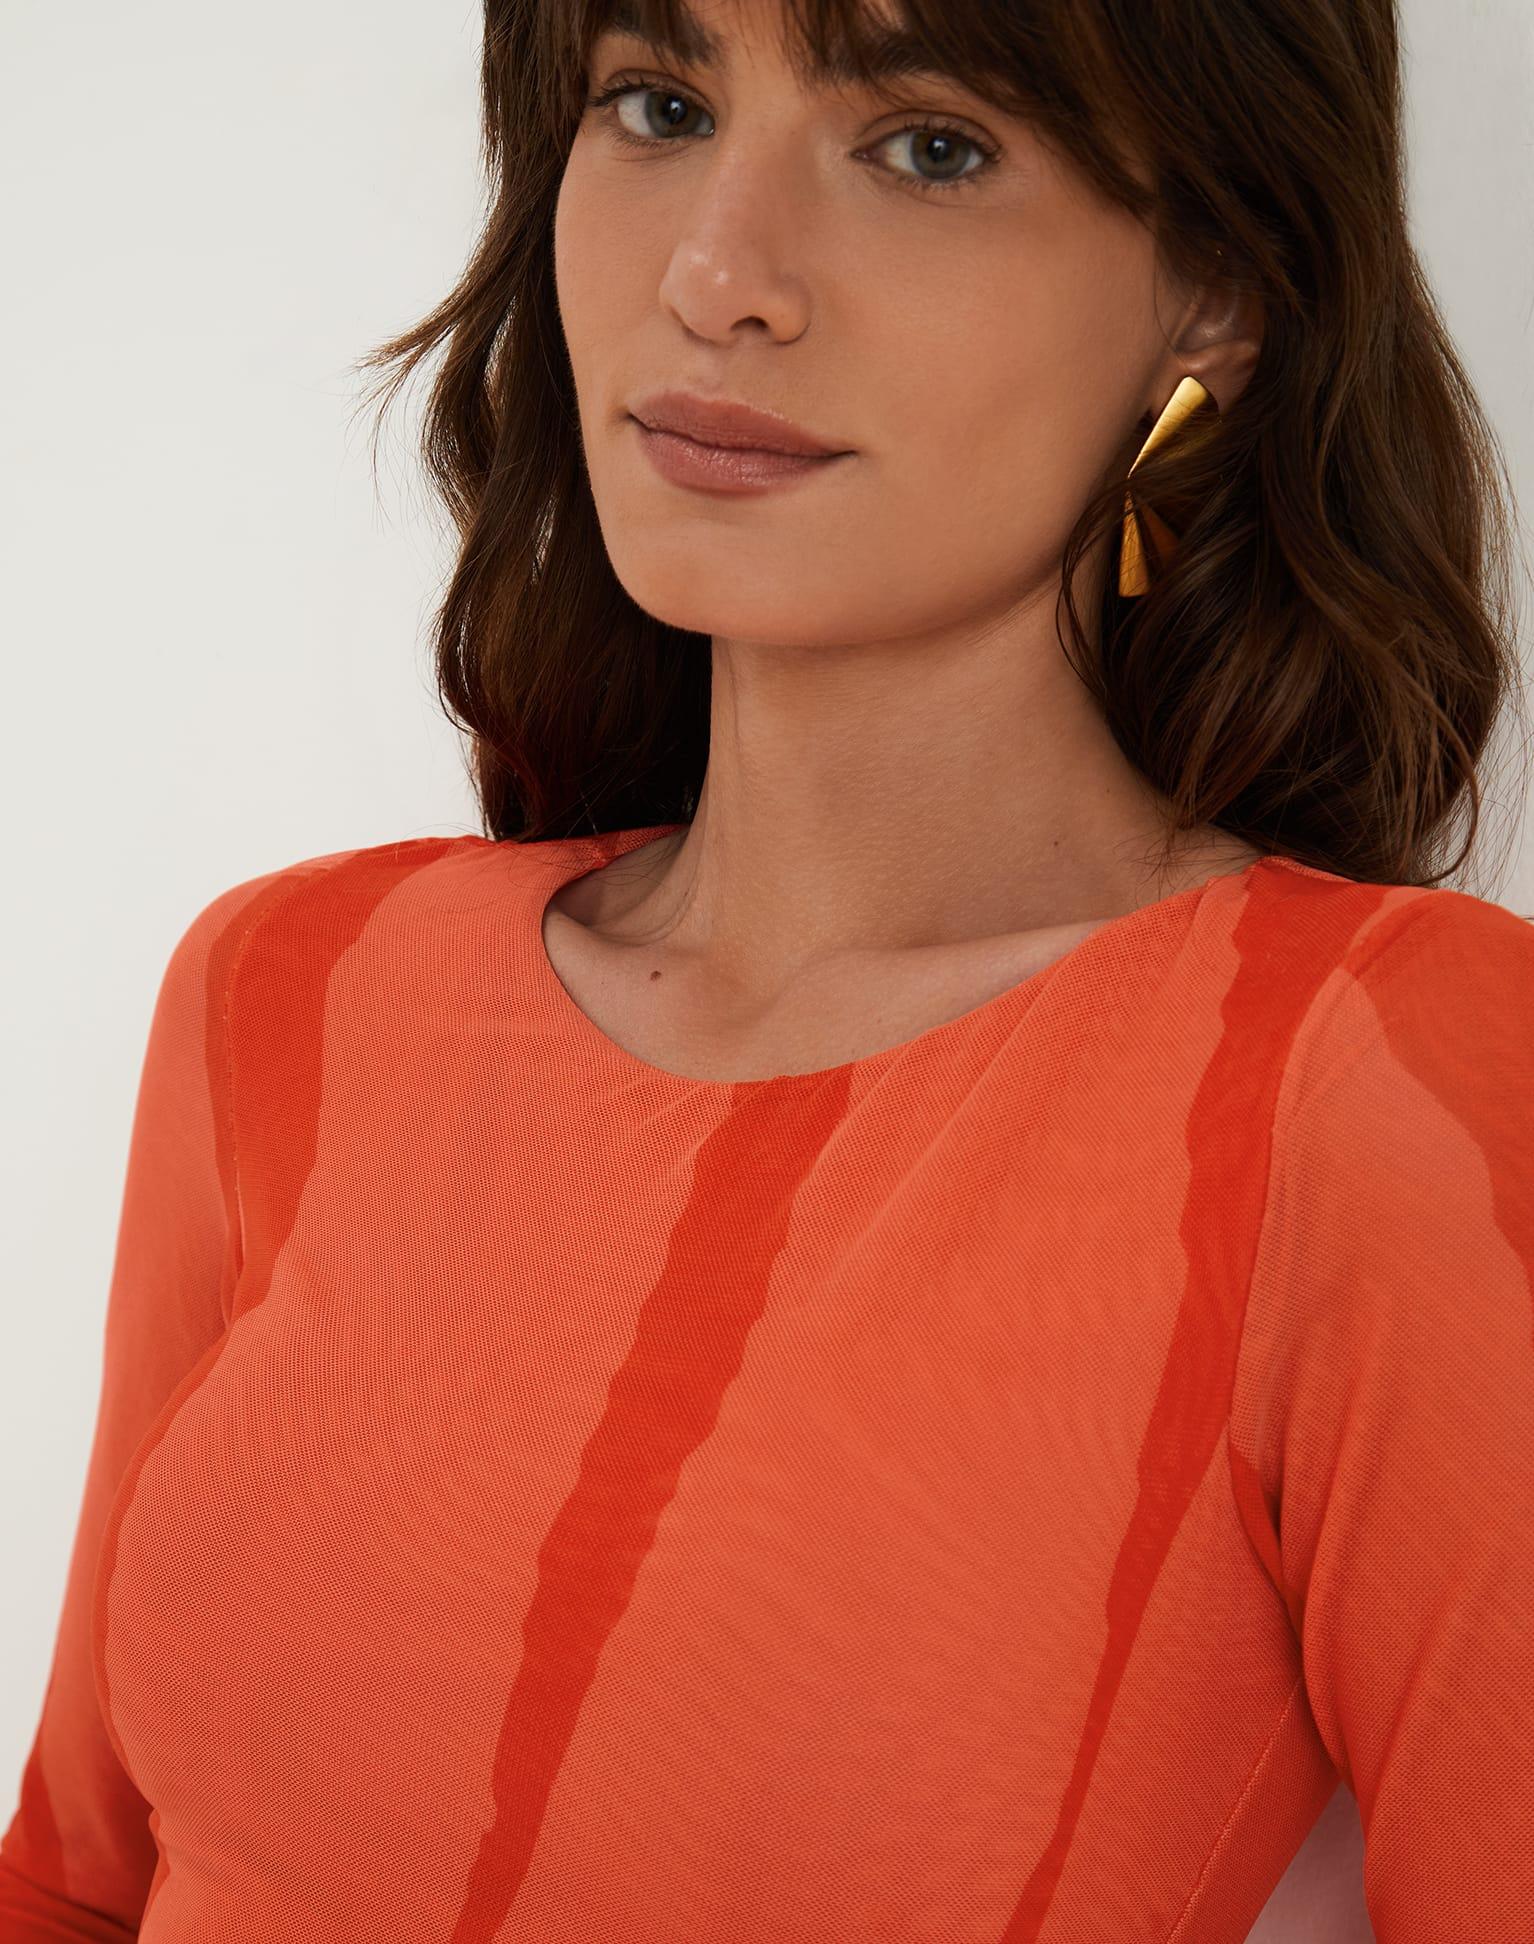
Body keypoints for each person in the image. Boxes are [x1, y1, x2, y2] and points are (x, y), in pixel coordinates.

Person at [3, 0, 1531, 1938]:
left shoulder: (1363, 1074)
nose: (716, 276)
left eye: (927, 148)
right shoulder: (291, 987)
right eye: (654, 105)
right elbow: (72, 1883)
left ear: (1214, 294)